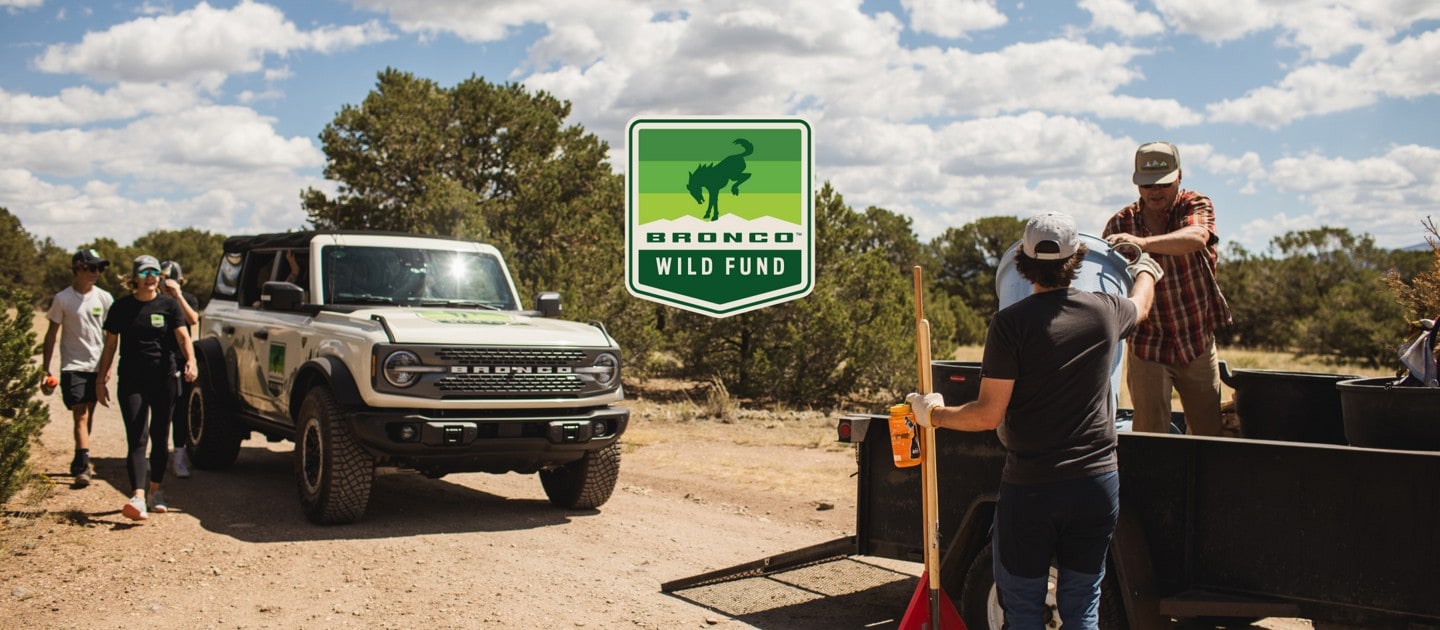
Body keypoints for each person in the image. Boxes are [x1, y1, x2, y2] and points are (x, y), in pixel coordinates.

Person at [907, 212, 1159, 629]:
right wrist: (1146, 268)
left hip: (1033, 489)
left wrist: (931, 414)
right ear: (1076, 258)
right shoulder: (1104, 312)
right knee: (1082, 605)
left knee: (1023, 610)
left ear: (1022, 263)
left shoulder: (1010, 325)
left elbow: (987, 416)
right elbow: (1141, 304)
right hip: (1096, 484)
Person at [1103, 141, 1233, 436]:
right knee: (1150, 434)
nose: (1155, 191)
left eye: (1163, 183)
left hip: (1196, 338)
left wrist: (1142, 244)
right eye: (1147, 184)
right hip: (1148, 344)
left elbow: (1197, 237)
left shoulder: (1195, 205)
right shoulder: (1120, 223)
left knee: (1207, 432)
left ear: (1180, 177)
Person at [96, 255, 198, 521]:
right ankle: (138, 496)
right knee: (137, 437)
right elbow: (110, 346)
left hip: (164, 379)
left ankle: (156, 491)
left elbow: (183, 336)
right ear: (134, 278)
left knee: (160, 436)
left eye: (155, 272)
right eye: (144, 273)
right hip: (131, 380)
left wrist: (191, 361)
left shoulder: (169, 305)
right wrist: (101, 377)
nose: (151, 277)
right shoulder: (121, 307)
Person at [41, 249, 115, 489]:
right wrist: (45, 369)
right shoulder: (63, 299)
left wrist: (107, 367)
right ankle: (84, 467)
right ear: (78, 269)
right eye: (92, 268)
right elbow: (51, 335)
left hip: (96, 366)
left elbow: (110, 337)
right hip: (72, 366)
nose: (96, 273)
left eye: (99, 268)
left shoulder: (105, 298)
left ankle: (79, 453)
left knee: (88, 415)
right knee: (80, 414)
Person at [159, 260, 200, 478]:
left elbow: (193, 319)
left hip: (181, 360)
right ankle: (158, 454)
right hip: (159, 362)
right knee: (160, 411)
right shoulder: (154, 301)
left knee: (180, 411)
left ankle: (179, 457)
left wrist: (178, 296)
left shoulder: (188, 299)